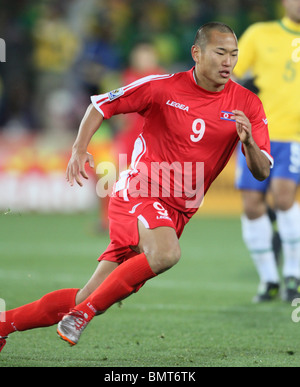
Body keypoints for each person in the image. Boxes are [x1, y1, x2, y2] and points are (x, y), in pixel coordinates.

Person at [0, 22, 272, 352]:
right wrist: (78, 149)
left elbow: (261, 173)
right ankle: (81, 316)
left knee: (91, 293)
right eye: (220, 53)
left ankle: (6, 324)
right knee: (166, 253)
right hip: (138, 191)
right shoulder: (162, 87)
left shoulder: (247, 105)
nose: (228, 61)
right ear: (197, 53)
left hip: (178, 212)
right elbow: (100, 105)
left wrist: (250, 145)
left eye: (233, 54)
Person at [234, 0, 300, 302]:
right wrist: (241, 86)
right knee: (251, 204)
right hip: (255, 133)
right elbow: (229, 72)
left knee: (284, 198)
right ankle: (269, 279)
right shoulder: (260, 33)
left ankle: (294, 275)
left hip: (294, 136)